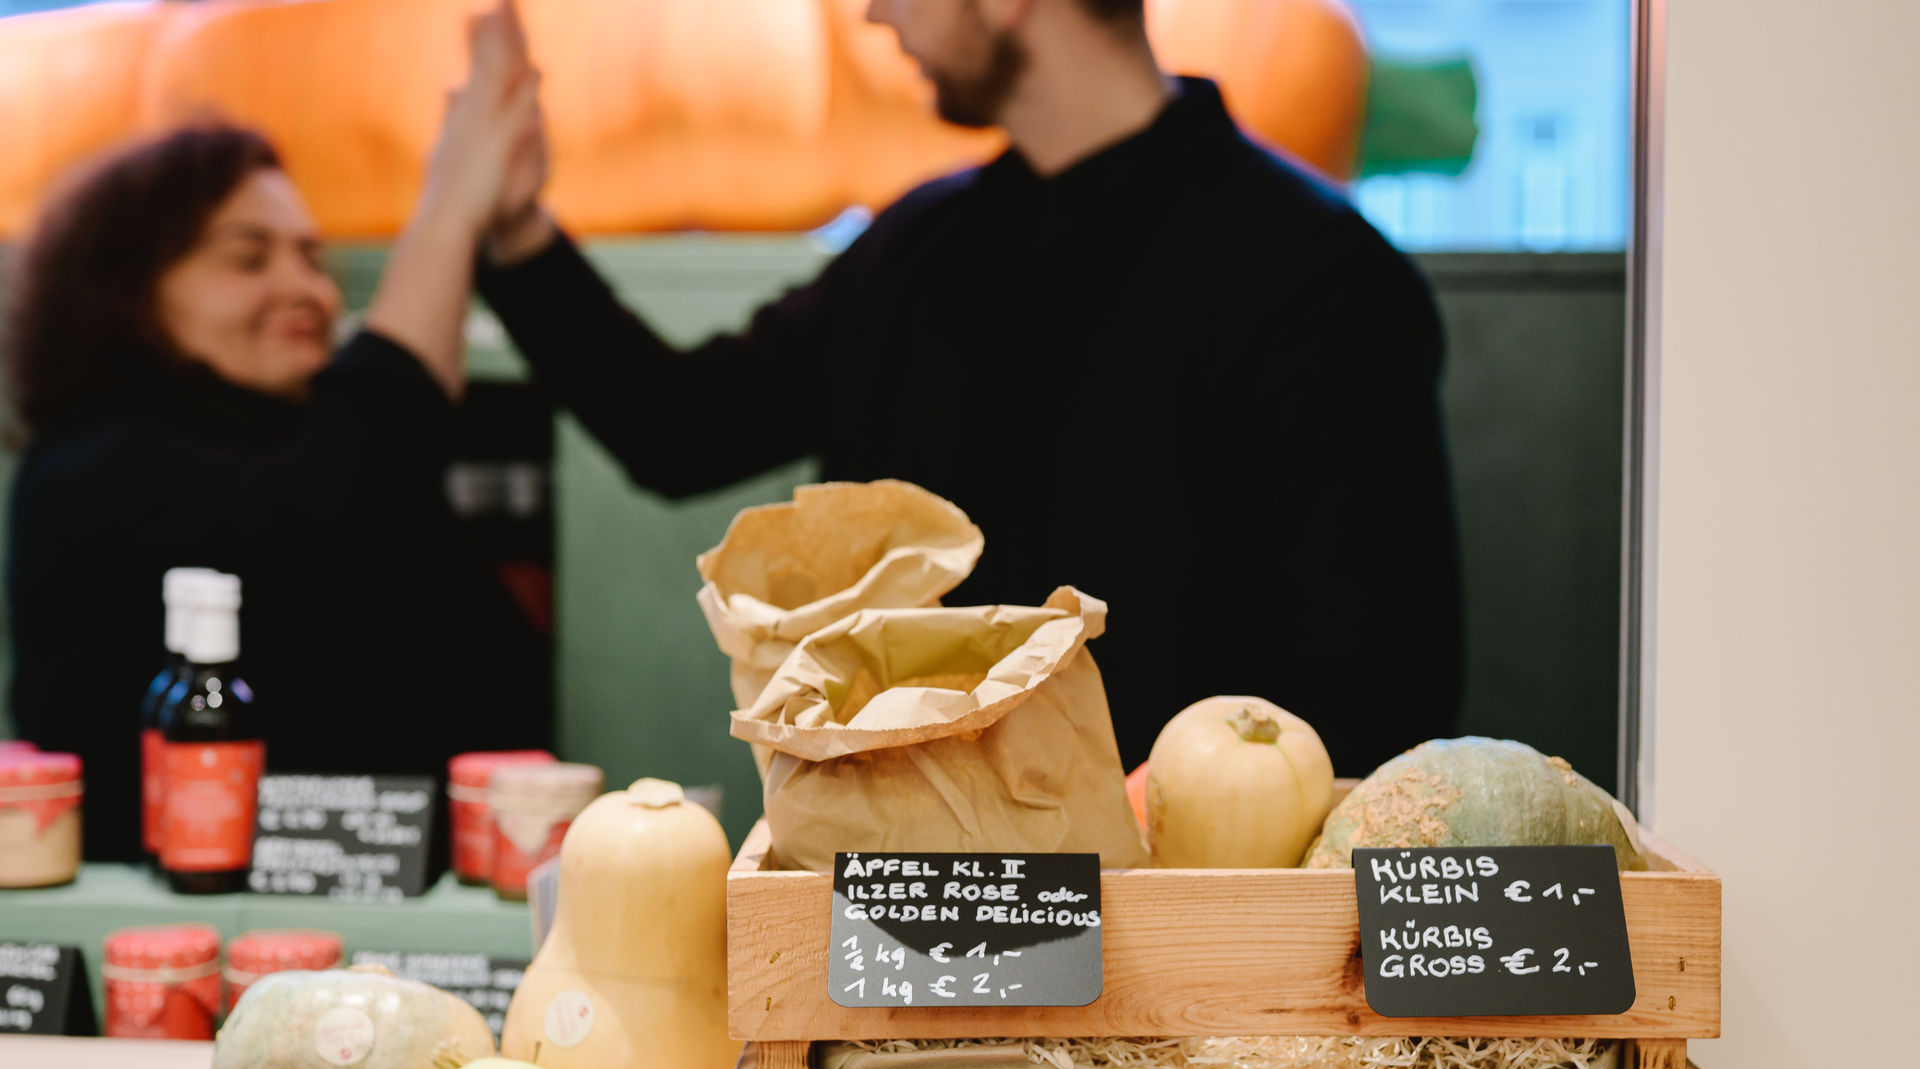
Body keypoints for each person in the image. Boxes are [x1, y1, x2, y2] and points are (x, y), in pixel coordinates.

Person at [469, 0, 1464, 777]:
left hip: (1187, 945)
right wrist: (516, 237)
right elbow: (681, 426)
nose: (875, 18)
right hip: (900, 919)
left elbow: (1380, 706)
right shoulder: (916, 249)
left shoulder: (1321, 278)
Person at [1, 10, 548, 862]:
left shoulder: (310, 437)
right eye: (248, 257)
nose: (308, 291)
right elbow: (326, 496)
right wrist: (453, 201)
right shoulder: (92, 467)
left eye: (312, 258)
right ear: (128, 295)